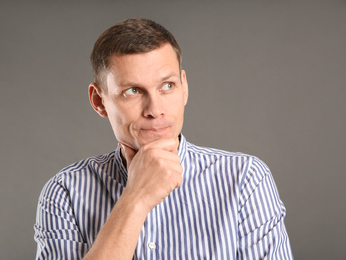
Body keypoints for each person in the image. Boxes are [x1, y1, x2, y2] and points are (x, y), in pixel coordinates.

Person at [34, 18, 293, 259]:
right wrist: (135, 198)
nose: (155, 110)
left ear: (184, 88)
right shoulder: (65, 193)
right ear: (99, 101)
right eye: (132, 91)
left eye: (167, 86)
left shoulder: (245, 179)